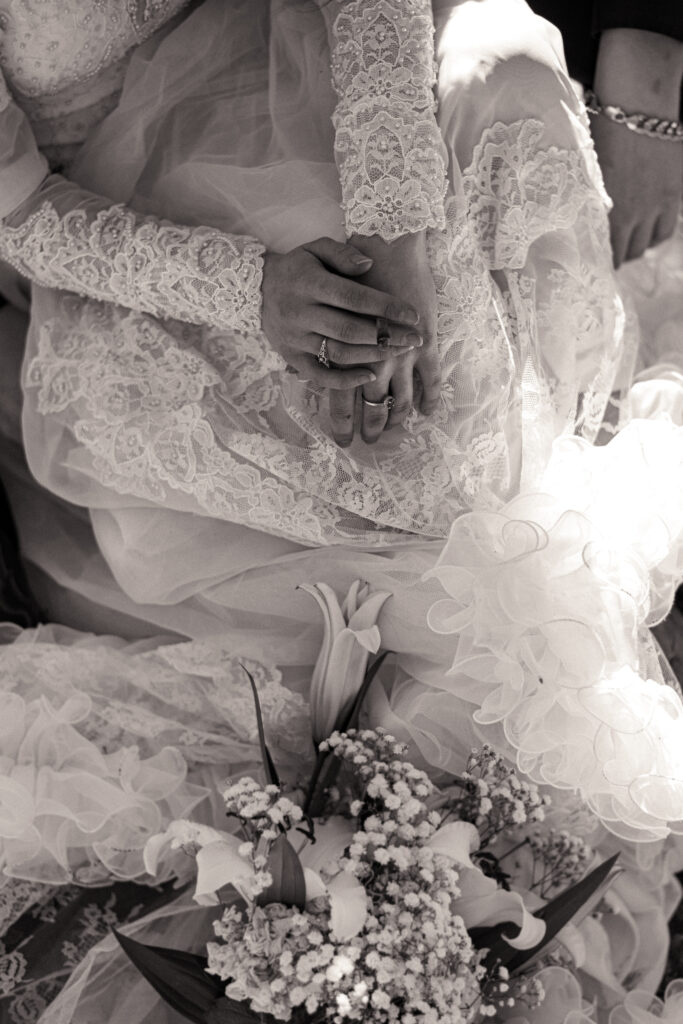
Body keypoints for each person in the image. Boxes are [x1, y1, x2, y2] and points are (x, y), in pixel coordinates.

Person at [0, 0, 682, 1019]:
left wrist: (390, 241)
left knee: (443, 411)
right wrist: (259, 294)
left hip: (328, 76)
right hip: (128, 229)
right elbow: (16, 212)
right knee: (378, 489)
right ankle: (407, 877)